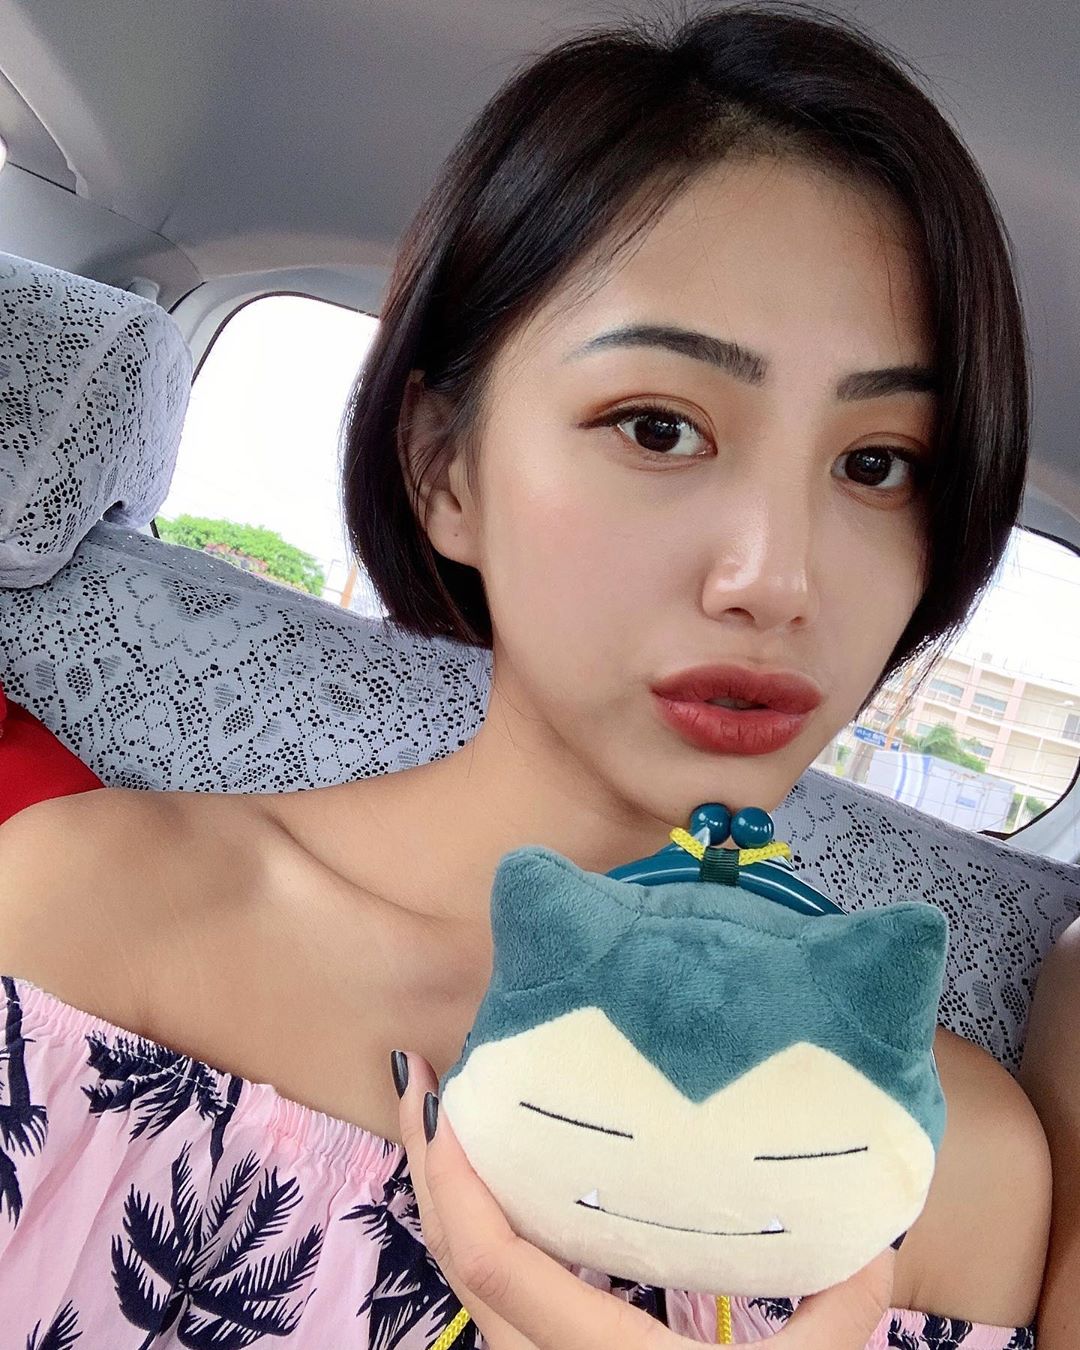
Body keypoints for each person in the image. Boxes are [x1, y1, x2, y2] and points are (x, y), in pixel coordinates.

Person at [0, 4, 1053, 1346]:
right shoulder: (99, 917)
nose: (778, 577)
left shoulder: (946, 1174)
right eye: (659, 427)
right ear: (445, 467)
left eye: (877, 463)